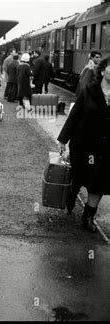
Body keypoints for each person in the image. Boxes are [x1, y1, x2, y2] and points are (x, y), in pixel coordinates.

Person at [57, 56, 110, 232]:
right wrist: (63, 139)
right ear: (103, 71)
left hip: (105, 148)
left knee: (100, 183)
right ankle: (72, 193)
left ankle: (88, 216)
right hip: (84, 145)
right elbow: (74, 116)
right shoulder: (89, 90)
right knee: (80, 176)